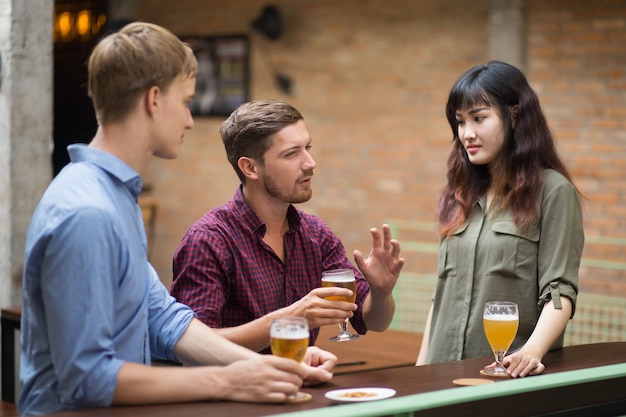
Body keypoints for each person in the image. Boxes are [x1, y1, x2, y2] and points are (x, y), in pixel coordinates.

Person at [19, 23, 336, 416]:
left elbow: (166, 320)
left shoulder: (116, 197)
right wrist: (230, 380)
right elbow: (86, 379)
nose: (189, 120)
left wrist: (263, 366)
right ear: (154, 100)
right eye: (186, 101)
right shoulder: (88, 213)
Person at [170, 100, 405, 353]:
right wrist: (292, 319)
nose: (310, 163)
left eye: (307, 147)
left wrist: (380, 293)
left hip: (297, 386)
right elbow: (194, 347)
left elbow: (373, 321)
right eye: (291, 153)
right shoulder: (208, 241)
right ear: (250, 168)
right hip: (232, 390)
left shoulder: (316, 234)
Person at [415, 61, 584, 378]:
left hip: (504, 375)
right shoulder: (458, 194)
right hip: (439, 374)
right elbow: (441, 298)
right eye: (460, 122)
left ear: (515, 115)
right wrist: (420, 370)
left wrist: (531, 352)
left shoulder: (554, 192)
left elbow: (560, 293)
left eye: (479, 118)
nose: (467, 133)